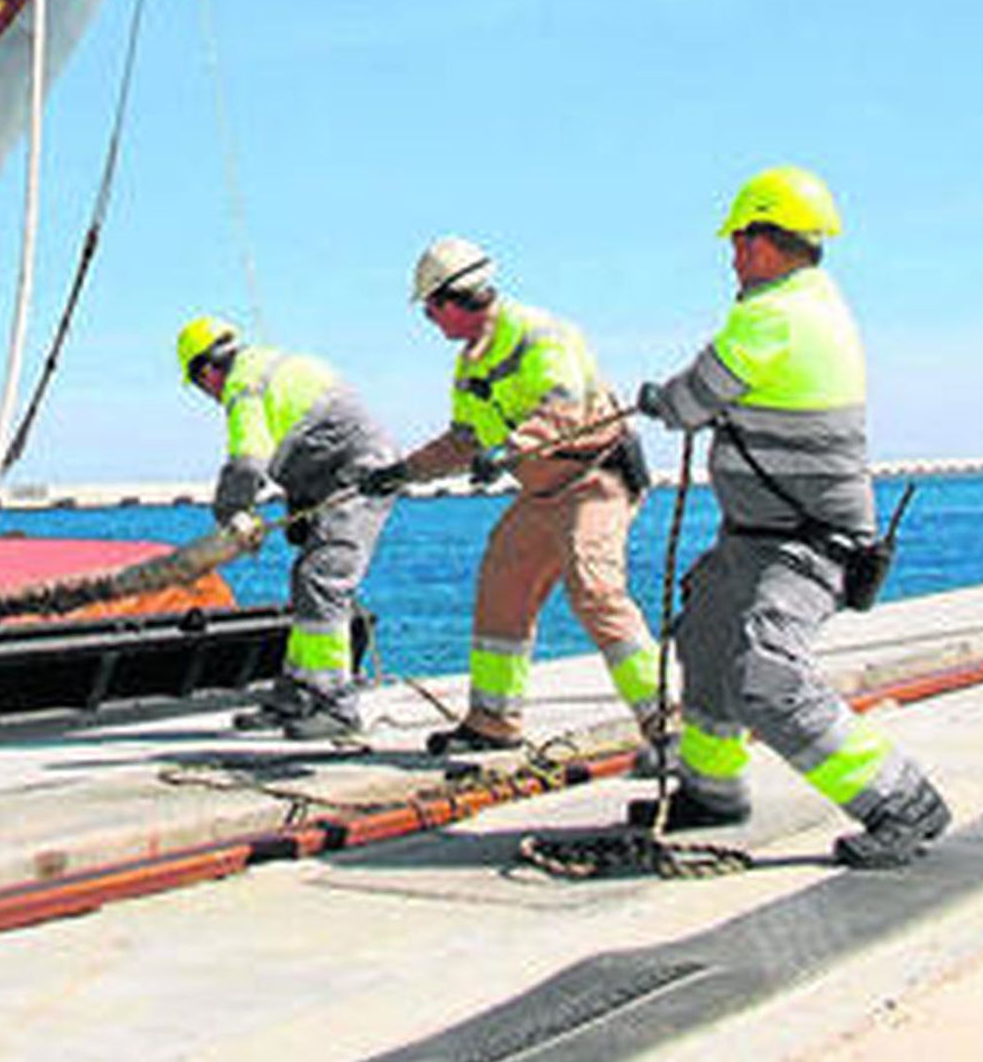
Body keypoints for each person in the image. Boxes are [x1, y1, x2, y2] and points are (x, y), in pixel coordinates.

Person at [633, 164, 950, 868]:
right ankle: (711, 789)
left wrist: (659, 399)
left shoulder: (774, 315)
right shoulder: (816, 303)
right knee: (707, 637)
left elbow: (692, 401)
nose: (733, 255)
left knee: (768, 675)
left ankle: (901, 800)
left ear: (767, 241)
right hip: (754, 538)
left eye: (740, 240)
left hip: (807, 544)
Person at [358, 237, 662, 757]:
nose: (430, 320)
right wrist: (402, 472)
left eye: (430, 309)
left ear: (455, 299)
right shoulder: (471, 364)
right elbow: (463, 441)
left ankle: (671, 725)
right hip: (543, 493)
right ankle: (493, 723)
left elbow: (563, 412)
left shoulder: (541, 335)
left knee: (595, 591)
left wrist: (509, 448)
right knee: (503, 581)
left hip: (593, 482)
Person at [177, 315, 398, 740]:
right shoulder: (269, 365)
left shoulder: (243, 387)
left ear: (206, 372)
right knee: (306, 577)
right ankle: (299, 692)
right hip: (342, 473)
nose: (209, 395)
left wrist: (230, 514)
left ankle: (337, 706)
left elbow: (247, 461)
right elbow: (311, 433)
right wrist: (302, 500)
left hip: (360, 478)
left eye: (202, 387)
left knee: (323, 580)